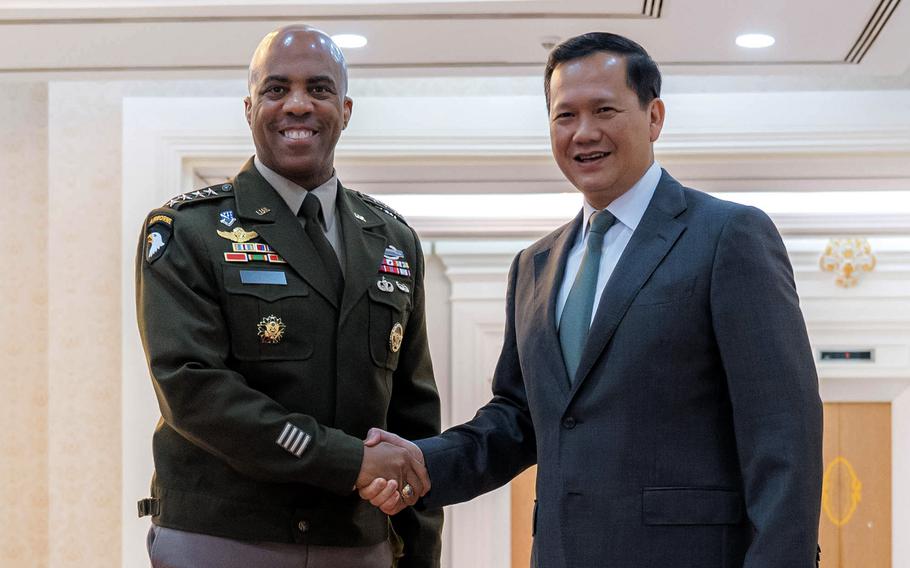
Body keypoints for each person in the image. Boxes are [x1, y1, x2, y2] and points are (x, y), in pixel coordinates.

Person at [360, 32, 823, 567]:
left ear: (654, 117)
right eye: (565, 116)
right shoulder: (534, 266)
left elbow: (783, 435)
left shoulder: (727, 236)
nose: (584, 133)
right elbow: (519, 419)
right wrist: (421, 462)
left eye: (605, 110)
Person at [136, 25, 440, 568]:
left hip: (357, 541)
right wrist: (348, 461)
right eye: (277, 90)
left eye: (318, 89)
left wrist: (419, 552)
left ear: (345, 109)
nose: (297, 105)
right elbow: (192, 388)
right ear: (250, 107)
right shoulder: (189, 229)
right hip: (225, 538)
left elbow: (413, 417)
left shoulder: (394, 240)